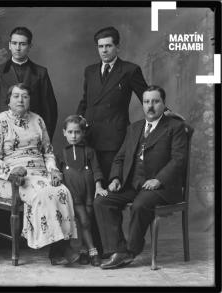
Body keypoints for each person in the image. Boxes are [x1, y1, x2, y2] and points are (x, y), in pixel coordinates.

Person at [93, 85, 188, 269]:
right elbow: (120, 157)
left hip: (162, 187)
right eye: (146, 102)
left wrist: (158, 179)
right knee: (102, 201)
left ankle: (130, 251)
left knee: (140, 205)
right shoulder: (134, 128)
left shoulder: (175, 127)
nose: (150, 106)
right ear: (142, 104)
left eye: (155, 101)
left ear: (163, 104)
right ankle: (118, 250)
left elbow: (179, 160)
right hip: (133, 184)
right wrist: (115, 179)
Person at [0, 83, 79, 265]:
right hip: (12, 177)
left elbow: (47, 151)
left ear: (30, 100)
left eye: (25, 96)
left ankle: (60, 245)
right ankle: (59, 249)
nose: (21, 100)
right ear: (9, 100)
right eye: (16, 96)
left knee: (62, 191)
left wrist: (53, 169)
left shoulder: (38, 120)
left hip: (40, 173)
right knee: (42, 193)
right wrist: (11, 172)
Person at [76, 26, 149, 180]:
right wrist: (76, 123)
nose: (104, 50)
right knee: (90, 183)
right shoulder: (90, 71)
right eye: (101, 46)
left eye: (108, 46)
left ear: (117, 47)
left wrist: (166, 112)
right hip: (90, 134)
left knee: (111, 183)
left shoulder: (130, 70)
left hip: (114, 137)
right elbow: (85, 101)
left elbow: (147, 97)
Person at [0, 26, 58, 140]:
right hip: (4, 134)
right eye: (14, 43)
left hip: (32, 134)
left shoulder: (40, 73)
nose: (17, 48)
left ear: (29, 46)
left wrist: (45, 138)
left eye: (22, 44)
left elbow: (49, 110)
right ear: (9, 45)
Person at [56, 115, 108, 266]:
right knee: (84, 221)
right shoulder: (62, 153)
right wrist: (55, 176)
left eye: (77, 132)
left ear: (83, 133)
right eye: (70, 132)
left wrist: (99, 186)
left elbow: (97, 170)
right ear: (64, 132)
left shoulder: (89, 151)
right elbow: (57, 172)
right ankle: (93, 252)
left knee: (88, 221)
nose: (73, 136)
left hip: (89, 194)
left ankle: (84, 251)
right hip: (74, 195)